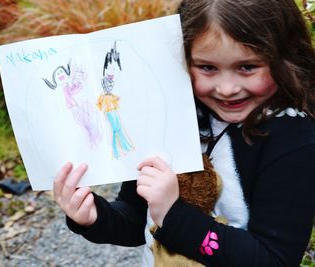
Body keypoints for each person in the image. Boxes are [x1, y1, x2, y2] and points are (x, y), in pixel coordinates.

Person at [53, 0, 315, 266]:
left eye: (247, 67)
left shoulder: (292, 139)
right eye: (207, 68)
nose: (226, 88)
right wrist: (92, 215)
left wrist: (172, 214)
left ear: (286, 57)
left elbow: (275, 259)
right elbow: (135, 219)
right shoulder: (168, 116)